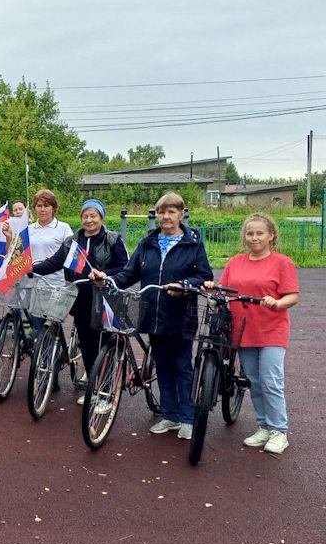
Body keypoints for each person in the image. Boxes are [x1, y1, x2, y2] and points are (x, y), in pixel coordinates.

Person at [94, 192, 213, 440]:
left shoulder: (193, 243)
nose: (166, 216)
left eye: (171, 212)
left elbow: (203, 276)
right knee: (164, 366)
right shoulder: (148, 242)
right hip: (152, 314)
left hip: (180, 315)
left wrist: (184, 285)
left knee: (182, 366)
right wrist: (109, 279)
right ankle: (170, 416)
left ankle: (188, 418)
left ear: (181, 214)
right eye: (162, 212)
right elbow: (129, 273)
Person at [209, 213, 298, 454]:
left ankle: (279, 431)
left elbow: (292, 296)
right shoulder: (235, 262)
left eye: (260, 233)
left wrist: (277, 302)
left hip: (272, 330)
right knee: (255, 381)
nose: (254, 238)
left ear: (271, 235)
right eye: (250, 233)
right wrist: (212, 288)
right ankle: (264, 426)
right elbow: (224, 290)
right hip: (242, 330)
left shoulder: (282, 263)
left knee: (270, 380)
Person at [30, 198, 129, 404]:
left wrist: (104, 274)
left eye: (93, 216)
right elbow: (55, 263)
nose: (89, 220)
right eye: (85, 216)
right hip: (81, 300)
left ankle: (106, 393)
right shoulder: (72, 242)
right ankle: (94, 389)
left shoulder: (113, 239)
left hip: (106, 300)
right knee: (88, 347)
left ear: (101, 217)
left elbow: (125, 268)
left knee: (105, 347)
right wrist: (31, 269)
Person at [2, 188, 73, 332]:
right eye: (39, 206)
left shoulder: (63, 228)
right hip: (31, 282)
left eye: (46, 205)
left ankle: (51, 345)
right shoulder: (28, 229)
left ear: (53, 208)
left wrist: (54, 260)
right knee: (37, 326)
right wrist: (9, 237)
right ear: (34, 209)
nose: (42, 209)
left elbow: (71, 254)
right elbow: (15, 255)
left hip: (54, 283)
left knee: (51, 326)